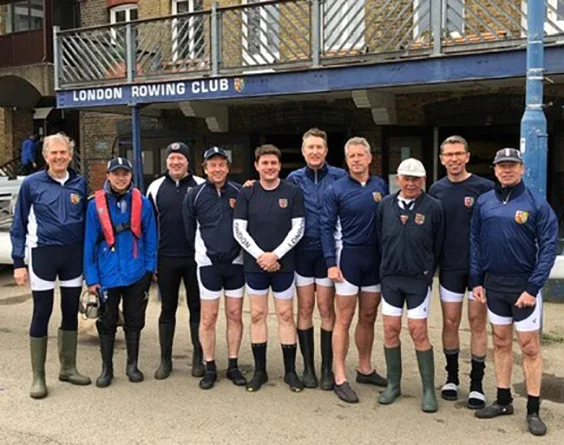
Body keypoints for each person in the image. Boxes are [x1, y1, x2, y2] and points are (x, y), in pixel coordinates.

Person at [471, 148, 558, 436]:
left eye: (512, 165)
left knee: (530, 347)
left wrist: (533, 287)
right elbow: (475, 242)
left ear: (522, 169)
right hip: (494, 285)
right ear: (495, 170)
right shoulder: (484, 202)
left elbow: (548, 248)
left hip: (524, 287)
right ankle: (503, 400)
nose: (506, 170)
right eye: (501, 166)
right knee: (500, 343)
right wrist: (477, 280)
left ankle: (533, 409)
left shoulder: (536, 204)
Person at [10, 132, 91, 399]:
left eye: (63, 152)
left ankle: (68, 368)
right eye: (53, 153)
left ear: (70, 155)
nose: (58, 157)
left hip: (73, 255)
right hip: (43, 254)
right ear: (45, 156)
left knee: (70, 311)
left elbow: (88, 222)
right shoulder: (32, 184)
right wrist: (18, 262)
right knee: (41, 312)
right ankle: (39, 377)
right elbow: (19, 223)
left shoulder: (80, 183)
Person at [428, 136, 494, 409]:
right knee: (450, 322)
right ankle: (452, 378)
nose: (453, 159)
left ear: (467, 156)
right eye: (448, 154)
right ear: (441, 159)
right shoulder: (436, 190)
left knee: (477, 323)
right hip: (450, 267)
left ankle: (477, 384)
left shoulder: (485, 188)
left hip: (479, 270)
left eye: (458, 154)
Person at [320, 136, 388, 404]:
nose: (356, 160)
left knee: (369, 315)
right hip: (347, 259)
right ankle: (339, 375)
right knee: (344, 318)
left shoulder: (380, 186)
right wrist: (330, 263)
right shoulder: (335, 190)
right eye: (352, 156)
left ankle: (365, 368)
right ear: (346, 160)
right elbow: (326, 227)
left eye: (361, 155)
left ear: (369, 158)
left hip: (374, 261)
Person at [233, 144, 305, 393]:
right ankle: (260, 372)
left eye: (273, 163)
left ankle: (290, 372)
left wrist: (275, 255)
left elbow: (298, 228)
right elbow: (239, 229)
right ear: (256, 166)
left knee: (285, 315)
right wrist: (260, 256)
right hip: (255, 266)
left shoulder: (292, 192)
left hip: (283, 265)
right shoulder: (247, 192)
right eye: (265, 163)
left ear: (279, 165)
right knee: (257, 315)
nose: (269, 167)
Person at [376, 158, 444, 413]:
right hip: (391, 278)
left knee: (418, 331)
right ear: (398, 179)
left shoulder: (434, 207)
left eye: (416, 179)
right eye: (406, 178)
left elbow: (438, 243)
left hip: (418, 280)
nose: (411, 183)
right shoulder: (385, 205)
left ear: (423, 180)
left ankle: (428, 390)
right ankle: (393, 384)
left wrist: (427, 272)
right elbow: (379, 238)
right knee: (390, 329)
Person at [84, 157, 157, 388]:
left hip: (136, 272)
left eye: (125, 173)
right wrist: (91, 278)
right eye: (116, 173)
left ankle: (132, 365)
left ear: (131, 176)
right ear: (108, 176)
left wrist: (149, 270)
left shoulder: (143, 203)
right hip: (107, 273)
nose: (121, 178)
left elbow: (151, 238)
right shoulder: (94, 205)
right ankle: (107, 369)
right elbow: (89, 243)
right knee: (106, 321)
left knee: (134, 320)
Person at [286, 128, 347, 390]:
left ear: (326, 150)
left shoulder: (339, 176)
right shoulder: (294, 178)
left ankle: (326, 369)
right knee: (305, 308)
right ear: (303, 151)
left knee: (326, 309)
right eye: (310, 147)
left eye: (319, 147)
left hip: (328, 252)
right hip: (302, 252)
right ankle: (308, 368)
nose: (315, 151)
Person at [184, 147, 247, 390]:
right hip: (208, 264)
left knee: (234, 315)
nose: (217, 169)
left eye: (222, 164)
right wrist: (205, 252)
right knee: (208, 317)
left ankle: (233, 365)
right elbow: (189, 229)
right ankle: (210, 366)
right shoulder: (195, 195)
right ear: (205, 168)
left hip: (235, 263)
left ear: (228, 168)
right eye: (213, 165)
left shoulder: (240, 192)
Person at [147, 142, 205, 379]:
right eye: (172, 158)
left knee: (197, 308)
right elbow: (149, 226)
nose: (176, 162)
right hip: (166, 259)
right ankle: (165, 360)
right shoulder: (155, 187)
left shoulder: (201, 185)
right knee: (167, 308)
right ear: (167, 161)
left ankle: (198, 358)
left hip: (195, 259)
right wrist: (152, 261)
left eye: (180, 158)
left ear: (188, 161)